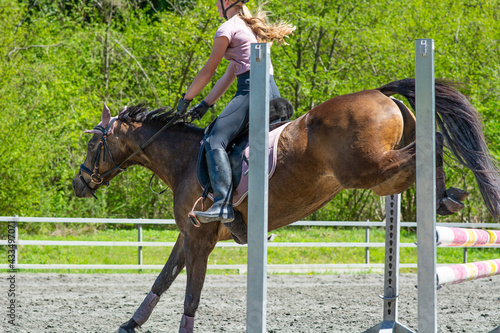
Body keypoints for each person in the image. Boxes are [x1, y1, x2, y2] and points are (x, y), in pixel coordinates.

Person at [176, 0, 295, 224]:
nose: (216, 8)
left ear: (228, 1)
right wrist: (205, 104)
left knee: (214, 140)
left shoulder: (227, 28)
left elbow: (208, 71)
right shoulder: (250, 28)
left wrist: (186, 99)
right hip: (272, 91)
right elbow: (228, 75)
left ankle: (222, 203)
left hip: (252, 90)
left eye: (217, 3)